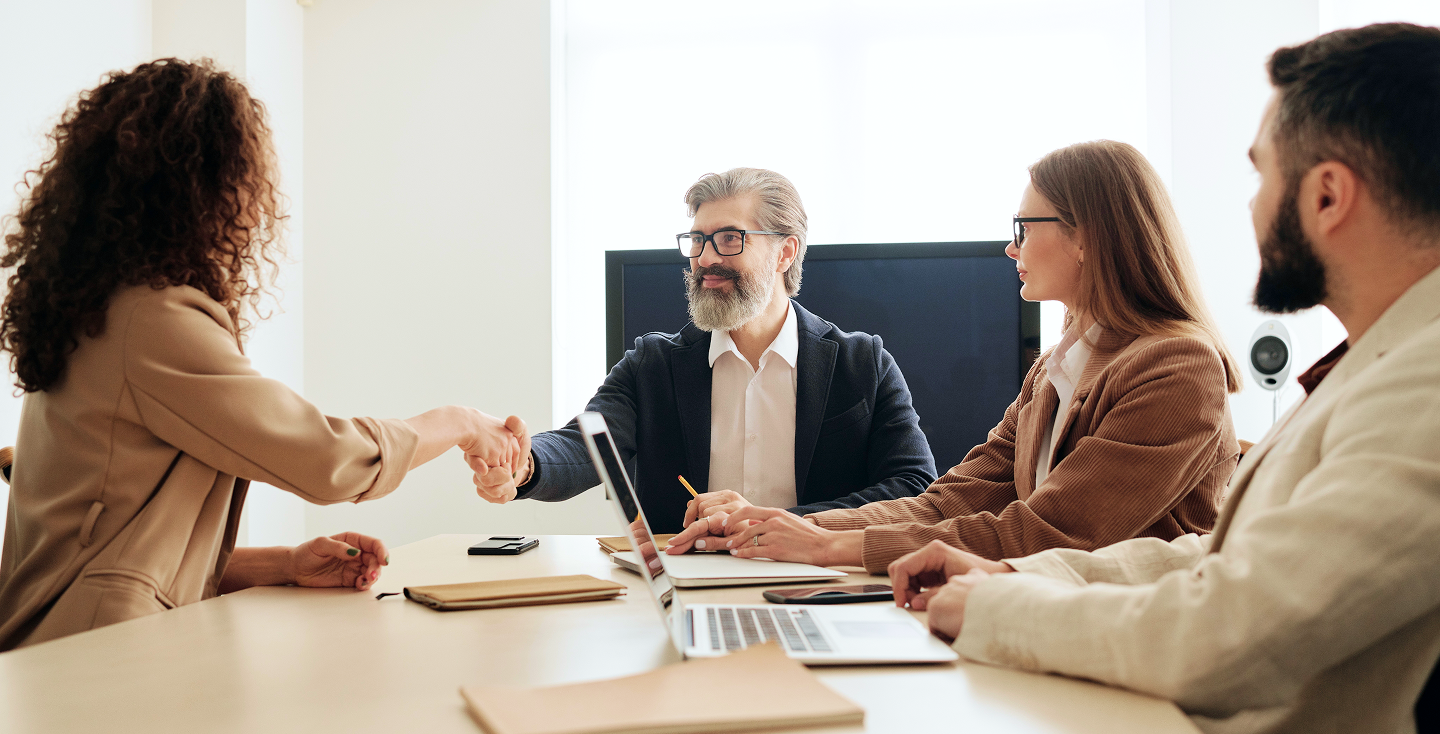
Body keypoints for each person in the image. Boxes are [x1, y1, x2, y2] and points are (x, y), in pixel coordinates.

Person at [886, 23, 1440, 734]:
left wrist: (1000, 609)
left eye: (1261, 174)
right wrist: (1017, 578)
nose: (1250, 206)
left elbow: (1234, 631)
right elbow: (1217, 560)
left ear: (1328, 196)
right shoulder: (1376, 364)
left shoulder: (1422, 385)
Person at [0, 59, 528, 651]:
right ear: (206, 184)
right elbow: (327, 459)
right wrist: (458, 422)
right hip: (91, 661)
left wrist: (283, 563)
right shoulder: (151, 319)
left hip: (68, 649)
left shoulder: (97, 310)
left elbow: (115, 547)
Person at [667, 141, 1242, 572]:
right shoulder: (1055, 369)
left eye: (1023, 226)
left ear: (1087, 236)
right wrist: (786, 528)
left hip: (1127, 655)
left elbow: (1052, 533)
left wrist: (831, 545)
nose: (1010, 246)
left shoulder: (1178, 369)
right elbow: (951, 500)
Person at [470, 168, 937, 535]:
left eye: (729, 239)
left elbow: (913, 488)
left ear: (785, 252)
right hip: (688, 580)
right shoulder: (652, 365)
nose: (706, 258)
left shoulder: (864, 364)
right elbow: (584, 446)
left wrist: (773, 522)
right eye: (697, 240)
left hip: (818, 579)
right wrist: (524, 463)